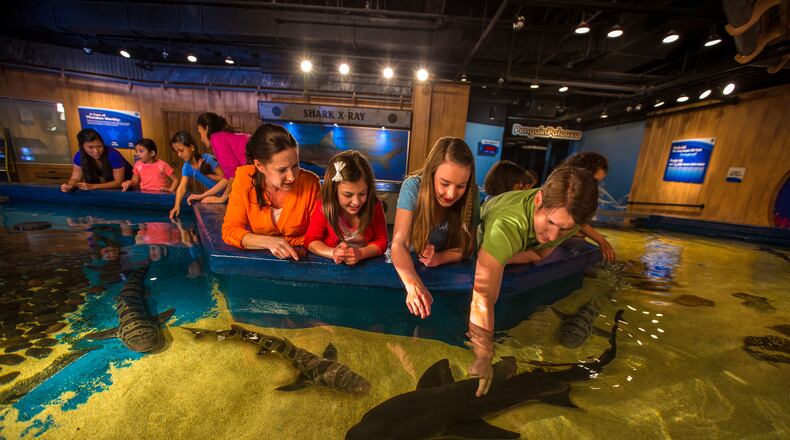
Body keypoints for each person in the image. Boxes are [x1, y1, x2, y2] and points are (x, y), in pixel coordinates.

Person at [468, 166, 599, 397]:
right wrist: (483, 354)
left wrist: (507, 258)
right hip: (485, 224)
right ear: (539, 199)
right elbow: (482, 297)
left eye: (565, 229)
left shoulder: (567, 217)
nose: (553, 236)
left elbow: (541, 254)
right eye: (549, 222)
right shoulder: (506, 225)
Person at [391, 137, 479, 319]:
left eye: (460, 186)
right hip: (406, 268)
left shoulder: (473, 193)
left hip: (448, 279)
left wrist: (439, 257)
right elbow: (398, 243)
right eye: (445, 183)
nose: (451, 193)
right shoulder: (413, 187)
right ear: (431, 173)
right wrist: (412, 283)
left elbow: (469, 247)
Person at [221, 123, 320, 259]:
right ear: (259, 165)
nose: (292, 177)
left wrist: (280, 242)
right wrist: (268, 241)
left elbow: (316, 235)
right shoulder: (244, 179)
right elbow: (230, 230)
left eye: (295, 166)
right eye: (281, 170)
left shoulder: (311, 183)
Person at [304, 151, 388, 265]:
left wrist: (360, 253)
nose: (356, 202)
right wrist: (333, 252)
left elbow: (382, 241)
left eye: (362, 193)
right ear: (334, 191)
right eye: (348, 195)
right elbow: (311, 241)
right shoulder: (324, 206)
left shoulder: (374, 205)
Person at [557, 152, 615, 262]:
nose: (594, 185)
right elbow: (573, 218)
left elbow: (577, 219)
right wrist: (601, 240)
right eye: (594, 180)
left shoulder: (576, 187)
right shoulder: (564, 187)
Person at [169, 131, 228, 219]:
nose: (179, 155)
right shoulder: (187, 166)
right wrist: (176, 206)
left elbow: (227, 179)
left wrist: (207, 175)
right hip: (219, 197)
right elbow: (181, 188)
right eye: (177, 152)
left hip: (230, 194)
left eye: (181, 150)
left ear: (192, 147)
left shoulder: (208, 159)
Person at [197, 112, 251, 204]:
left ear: (206, 128)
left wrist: (223, 198)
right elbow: (228, 177)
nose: (201, 139)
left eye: (200, 133)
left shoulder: (216, 139)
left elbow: (234, 173)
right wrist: (203, 195)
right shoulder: (223, 136)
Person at [61, 129, 133, 192]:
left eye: (99, 146)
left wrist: (93, 186)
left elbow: (118, 182)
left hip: (128, 188)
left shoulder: (113, 155)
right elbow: (75, 179)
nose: (96, 151)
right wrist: (69, 186)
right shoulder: (79, 156)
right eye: (90, 147)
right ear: (82, 146)